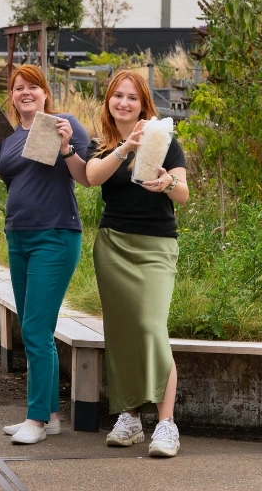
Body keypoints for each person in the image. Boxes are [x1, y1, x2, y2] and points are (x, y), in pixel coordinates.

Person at [0, 65, 90, 445]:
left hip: (55, 236)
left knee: (36, 329)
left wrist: (67, 145)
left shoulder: (62, 123)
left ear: (44, 92)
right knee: (35, 329)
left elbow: (85, 177)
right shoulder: (3, 135)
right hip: (18, 237)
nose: (25, 93)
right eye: (18, 88)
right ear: (12, 95)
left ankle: (35, 419)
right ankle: (50, 415)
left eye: (32, 87)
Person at [84, 70, 189, 458]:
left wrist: (166, 184)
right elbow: (92, 178)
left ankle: (166, 424)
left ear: (144, 104)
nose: (124, 103)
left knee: (150, 327)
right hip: (113, 245)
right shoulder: (103, 144)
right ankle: (129, 419)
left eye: (132, 97)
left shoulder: (165, 140)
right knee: (123, 332)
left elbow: (184, 193)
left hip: (156, 246)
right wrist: (125, 147)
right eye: (117, 96)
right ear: (109, 102)